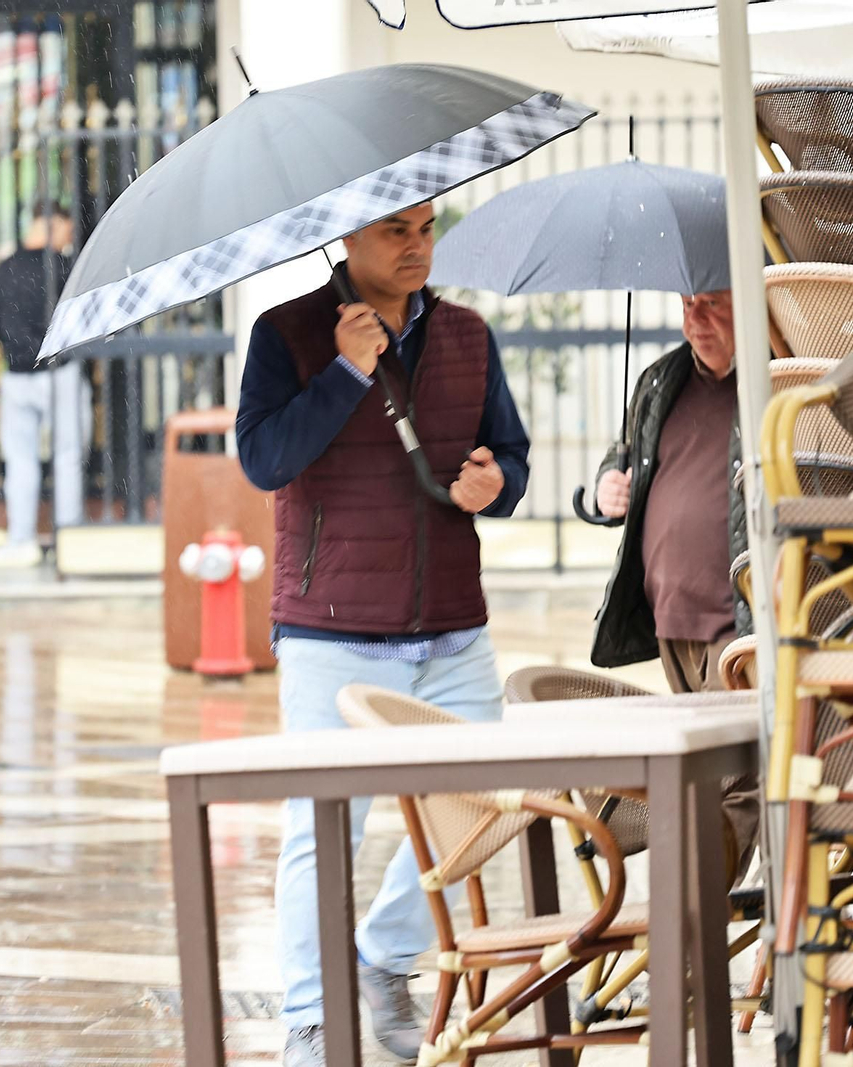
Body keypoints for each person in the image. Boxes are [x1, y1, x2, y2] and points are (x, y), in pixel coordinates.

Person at [235, 202, 531, 1067]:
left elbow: (507, 455)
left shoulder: (470, 335)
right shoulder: (285, 335)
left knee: (480, 807)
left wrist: (496, 483)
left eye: (427, 228)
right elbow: (263, 459)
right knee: (323, 827)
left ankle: (383, 954)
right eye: (397, 230)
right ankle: (311, 1018)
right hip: (330, 631)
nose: (418, 246)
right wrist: (344, 373)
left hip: (450, 626)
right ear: (350, 239)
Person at [589, 289, 758, 852]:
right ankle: (708, 914)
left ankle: (695, 907)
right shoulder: (662, 379)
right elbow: (630, 456)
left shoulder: (772, 377)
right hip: (671, 624)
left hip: (740, 624)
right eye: (687, 304)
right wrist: (609, 484)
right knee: (708, 784)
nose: (695, 319)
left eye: (712, 303)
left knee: (744, 785)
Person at [0, 201, 92, 568]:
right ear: (53, 225)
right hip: (60, 372)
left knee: (20, 461)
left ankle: (21, 539)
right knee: (68, 457)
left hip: (17, 375)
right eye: (68, 232)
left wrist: (13, 340)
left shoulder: (3, 269)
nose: (68, 241)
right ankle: (67, 538)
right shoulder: (65, 268)